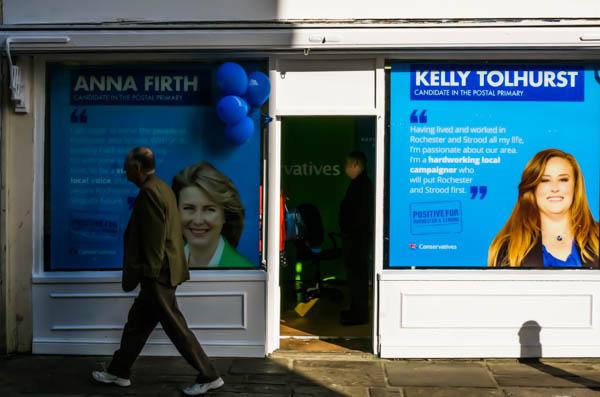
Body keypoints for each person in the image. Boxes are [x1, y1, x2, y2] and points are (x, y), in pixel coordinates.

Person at [91, 147, 224, 396]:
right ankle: (119, 371)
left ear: (138, 168)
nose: (124, 171)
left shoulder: (150, 193)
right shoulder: (160, 187)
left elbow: (154, 239)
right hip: (160, 271)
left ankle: (209, 375)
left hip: (157, 273)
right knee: (137, 325)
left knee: (175, 326)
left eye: (127, 166)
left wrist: (149, 275)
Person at [488, 148, 599, 268]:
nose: (554, 188)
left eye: (563, 180)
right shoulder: (508, 249)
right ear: (532, 187)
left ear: (576, 185)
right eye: (545, 180)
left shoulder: (597, 237)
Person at [171, 161, 254, 268]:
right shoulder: (164, 264)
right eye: (189, 208)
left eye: (209, 210)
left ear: (225, 215)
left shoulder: (243, 272)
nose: (198, 220)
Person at [338, 151, 374, 325]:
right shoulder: (359, 184)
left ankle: (359, 315)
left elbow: (360, 216)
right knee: (354, 277)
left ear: (356, 165)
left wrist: (350, 233)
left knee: (358, 278)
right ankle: (355, 310)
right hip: (354, 238)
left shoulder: (363, 186)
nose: (345, 169)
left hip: (357, 240)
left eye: (347, 165)